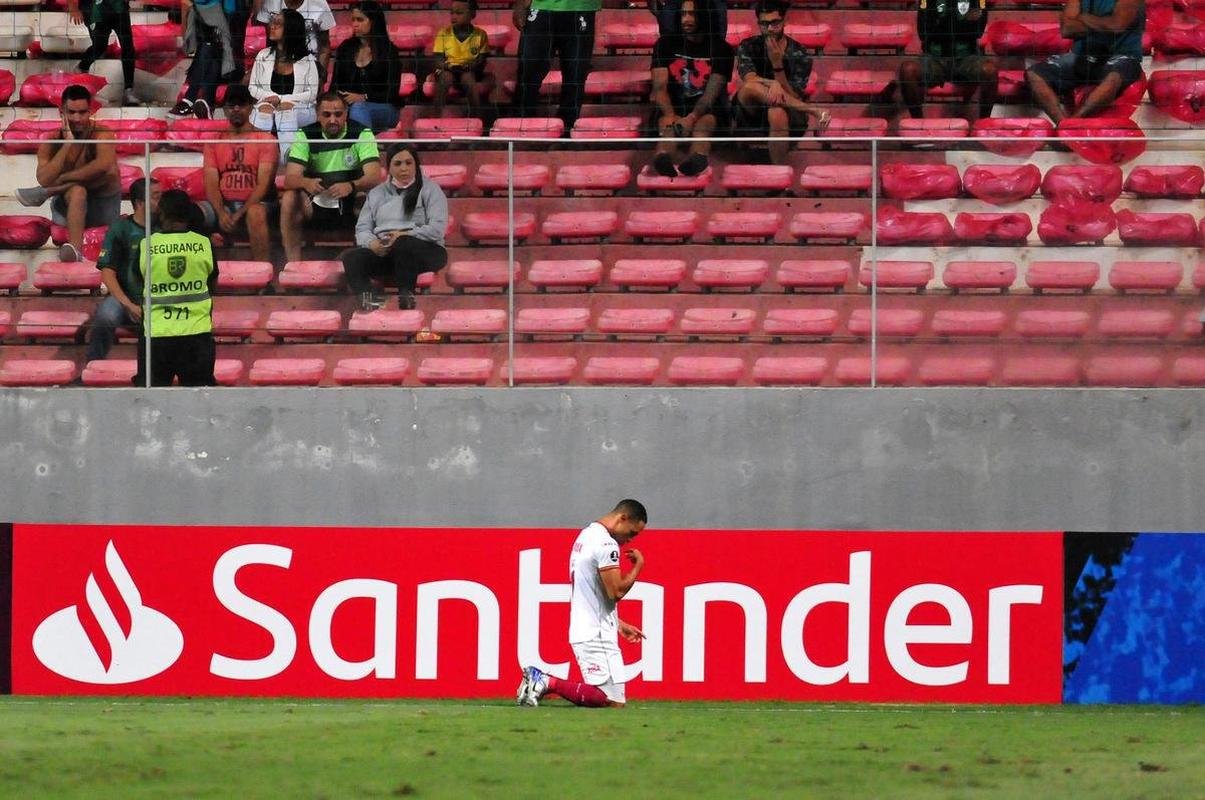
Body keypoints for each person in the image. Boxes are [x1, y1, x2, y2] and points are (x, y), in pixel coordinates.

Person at [517, 499, 649, 709]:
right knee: (612, 701)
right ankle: (544, 681)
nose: (630, 540)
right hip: (595, 632)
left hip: (589, 626)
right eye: (631, 533)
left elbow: (591, 591)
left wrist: (618, 623)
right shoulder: (607, 544)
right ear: (622, 518)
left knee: (613, 701)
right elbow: (615, 592)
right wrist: (638, 567)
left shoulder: (587, 535)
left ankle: (544, 681)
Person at [15, 85, 121, 263]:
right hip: (68, 208)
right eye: (71, 112)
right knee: (78, 190)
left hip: (103, 207)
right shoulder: (52, 139)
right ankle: (75, 251)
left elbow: (103, 166)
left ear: (90, 111)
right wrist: (67, 144)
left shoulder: (102, 133)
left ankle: (48, 193)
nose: (77, 118)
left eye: (82, 112)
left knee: (109, 173)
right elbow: (44, 178)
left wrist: (59, 182)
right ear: (61, 112)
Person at [342, 143, 448, 311]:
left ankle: (406, 297)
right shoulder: (376, 193)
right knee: (351, 257)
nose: (403, 168)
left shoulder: (431, 189)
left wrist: (403, 235)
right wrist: (372, 244)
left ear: (416, 165)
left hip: (426, 251)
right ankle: (371, 302)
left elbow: (437, 229)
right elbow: (362, 229)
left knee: (404, 243)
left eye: (408, 163)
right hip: (387, 252)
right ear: (389, 167)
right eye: (397, 164)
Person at [280, 91, 381, 264]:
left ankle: (362, 265)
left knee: (370, 199)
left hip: (350, 199)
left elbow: (374, 176)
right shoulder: (306, 134)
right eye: (326, 115)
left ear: (346, 114)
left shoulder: (361, 133)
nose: (332, 120)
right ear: (318, 115)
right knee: (289, 197)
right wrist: (306, 182)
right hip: (314, 201)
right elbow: (289, 179)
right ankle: (293, 266)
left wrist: (351, 185)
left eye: (338, 114)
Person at [136, 189, 219, 387]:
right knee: (199, 402)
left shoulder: (147, 245)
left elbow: (138, 281)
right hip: (196, 335)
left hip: (156, 335)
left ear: (162, 213)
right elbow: (212, 282)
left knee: (150, 403)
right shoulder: (203, 244)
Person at [732, 0, 829, 165]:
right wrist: (773, 83)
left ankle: (778, 178)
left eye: (774, 23)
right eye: (764, 24)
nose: (769, 29)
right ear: (758, 23)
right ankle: (812, 110)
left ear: (785, 21)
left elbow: (793, 97)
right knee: (749, 87)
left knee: (777, 112)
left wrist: (778, 66)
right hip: (751, 110)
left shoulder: (799, 53)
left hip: (789, 114)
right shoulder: (747, 46)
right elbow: (749, 80)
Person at [649, 0, 734, 177]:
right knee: (667, 122)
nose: (685, 19)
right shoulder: (664, 44)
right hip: (674, 104)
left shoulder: (721, 49)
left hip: (707, 109)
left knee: (705, 123)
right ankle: (663, 157)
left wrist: (691, 118)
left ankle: (697, 158)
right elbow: (659, 87)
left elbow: (711, 94)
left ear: (703, 16)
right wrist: (671, 114)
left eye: (692, 14)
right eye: (682, 14)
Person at [1026, 0, 1145, 122]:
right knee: (1034, 74)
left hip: (1122, 56)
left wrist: (1084, 18)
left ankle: (1073, 123)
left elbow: (1116, 25)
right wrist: (1103, 24)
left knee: (1113, 78)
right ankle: (1062, 124)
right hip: (1082, 57)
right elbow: (1067, 29)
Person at [200, 84, 279, 262]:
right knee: (190, 211)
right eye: (231, 105)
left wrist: (238, 214)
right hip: (225, 205)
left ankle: (263, 276)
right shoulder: (214, 141)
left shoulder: (265, 139)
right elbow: (211, 182)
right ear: (224, 109)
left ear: (250, 107)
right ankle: (203, 272)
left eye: (241, 104)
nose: (236, 109)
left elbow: (263, 185)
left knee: (255, 212)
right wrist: (221, 213)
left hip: (260, 203)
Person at [86, 178, 161, 363]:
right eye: (157, 196)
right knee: (106, 317)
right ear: (140, 203)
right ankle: (92, 366)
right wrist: (128, 304)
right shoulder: (121, 229)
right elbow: (107, 273)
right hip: (125, 297)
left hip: (160, 298)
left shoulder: (166, 229)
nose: (162, 202)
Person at [898, 0, 995, 120]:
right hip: (934, 58)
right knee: (908, 70)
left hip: (966, 58)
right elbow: (923, 32)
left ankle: (983, 123)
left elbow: (977, 30)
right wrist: (962, 22)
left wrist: (941, 23)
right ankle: (918, 123)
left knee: (990, 70)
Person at [511, 0, 598, 128]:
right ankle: (521, 129)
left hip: (580, 6)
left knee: (575, 77)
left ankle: (566, 133)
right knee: (528, 72)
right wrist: (521, 3)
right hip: (541, 6)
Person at [248, 8, 322, 156]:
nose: (272, 26)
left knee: (286, 111)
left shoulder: (307, 61)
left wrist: (282, 100)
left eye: (278, 24)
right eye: (273, 23)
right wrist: (271, 99)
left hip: (301, 109)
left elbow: (312, 94)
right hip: (267, 103)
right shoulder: (263, 55)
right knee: (263, 111)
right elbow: (252, 87)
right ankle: (258, 158)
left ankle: (289, 158)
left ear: (291, 29)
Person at [329, 0, 404, 132]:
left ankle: (364, 151)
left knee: (358, 108)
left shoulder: (388, 51)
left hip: (385, 108)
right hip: (349, 106)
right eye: (353, 20)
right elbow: (334, 85)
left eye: (360, 20)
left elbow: (391, 93)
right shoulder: (345, 48)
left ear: (373, 21)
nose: (355, 24)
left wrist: (364, 97)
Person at [174, 0, 236, 119]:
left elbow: (230, 11)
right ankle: (206, 102)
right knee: (208, 48)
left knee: (210, 47)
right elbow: (186, 42)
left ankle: (191, 98)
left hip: (225, 57)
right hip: (206, 53)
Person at [69, 0, 138, 106]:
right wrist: (73, 8)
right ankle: (82, 67)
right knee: (100, 46)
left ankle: (129, 90)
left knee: (127, 46)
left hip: (118, 6)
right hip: (95, 8)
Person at [430, 0, 491, 116]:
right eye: (452, 13)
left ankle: (476, 116)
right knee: (445, 77)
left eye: (459, 13)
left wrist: (470, 66)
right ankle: (435, 116)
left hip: (469, 70)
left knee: (467, 78)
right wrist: (447, 66)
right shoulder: (443, 33)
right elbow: (437, 60)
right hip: (447, 69)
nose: (454, 17)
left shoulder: (481, 34)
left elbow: (482, 60)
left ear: (472, 15)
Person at [254, 0, 335, 76]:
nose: (273, 26)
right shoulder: (271, 3)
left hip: (309, 65)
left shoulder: (319, 4)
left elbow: (325, 47)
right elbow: (270, 39)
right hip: (278, 63)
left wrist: (321, 77)